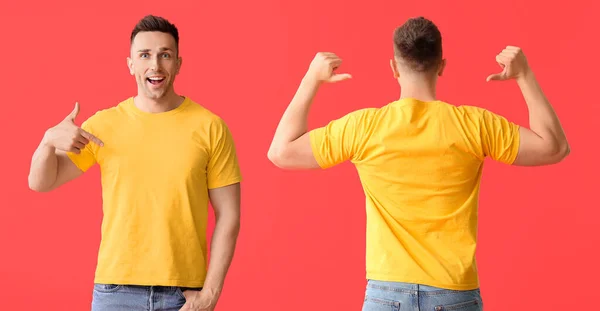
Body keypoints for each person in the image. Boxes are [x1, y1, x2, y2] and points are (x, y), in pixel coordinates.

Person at [267, 16, 569, 311]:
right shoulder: (473, 124)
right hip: (454, 293)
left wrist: (312, 78)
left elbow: (281, 152)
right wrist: (524, 75)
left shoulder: (364, 127)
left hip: (386, 292)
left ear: (394, 67)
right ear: (442, 65)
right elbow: (554, 147)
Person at [27, 15, 242, 311]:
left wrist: (209, 295)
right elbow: (41, 182)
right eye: (145, 55)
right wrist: (47, 142)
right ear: (130, 64)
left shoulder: (210, 127)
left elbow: (229, 215)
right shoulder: (104, 125)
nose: (155, 65)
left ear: (178, 63)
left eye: (165, 54)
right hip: (115, 292)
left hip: (183, 294)